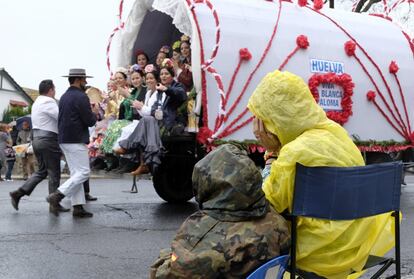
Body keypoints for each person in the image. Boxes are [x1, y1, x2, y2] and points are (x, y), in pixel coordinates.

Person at [248, 70, 396, 278]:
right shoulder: (338, 135)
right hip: (357, 249)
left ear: (275, 118)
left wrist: (272, 155)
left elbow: (264, 203)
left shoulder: (292, 154)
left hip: (312, 256)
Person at [150, 144, 290, 278]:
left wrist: (166, 256)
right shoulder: (277, 221)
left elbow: (167, 275)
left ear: (205, 183)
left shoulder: (205, 230)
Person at [116, 59, 188, 175]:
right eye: (162, 74)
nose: (164, 76)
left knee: (147, 121)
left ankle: (130, 149)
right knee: (146, 120)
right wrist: (140, 107)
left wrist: (167, 89)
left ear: (172, 75)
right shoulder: (158, 90)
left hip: (171, 122)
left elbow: (181, 95)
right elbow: (154, 111)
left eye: (166, 74)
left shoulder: (176, 86)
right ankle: (144, 162)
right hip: (158, 119)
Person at [9, 80, 70, 212]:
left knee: (42, 171)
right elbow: (61, 117)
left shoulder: (37, 102)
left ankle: (18, 193)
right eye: (54, 89)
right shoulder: (49, 101)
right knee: (54, 173)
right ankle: (54, 204)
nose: (55, 92)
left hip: (37, 139)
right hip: (48, 139)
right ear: (50, 90)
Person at [46, 69, 98, 218]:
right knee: (83, 172)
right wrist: (94, 112)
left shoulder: (64, 96)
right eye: (84, 80)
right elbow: (89, 121)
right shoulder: (81, 97)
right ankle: (58, 195)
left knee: (76, 174)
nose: (86, 82)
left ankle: (78, 207)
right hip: (75, 139)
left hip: (64, 139)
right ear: (78, 79)